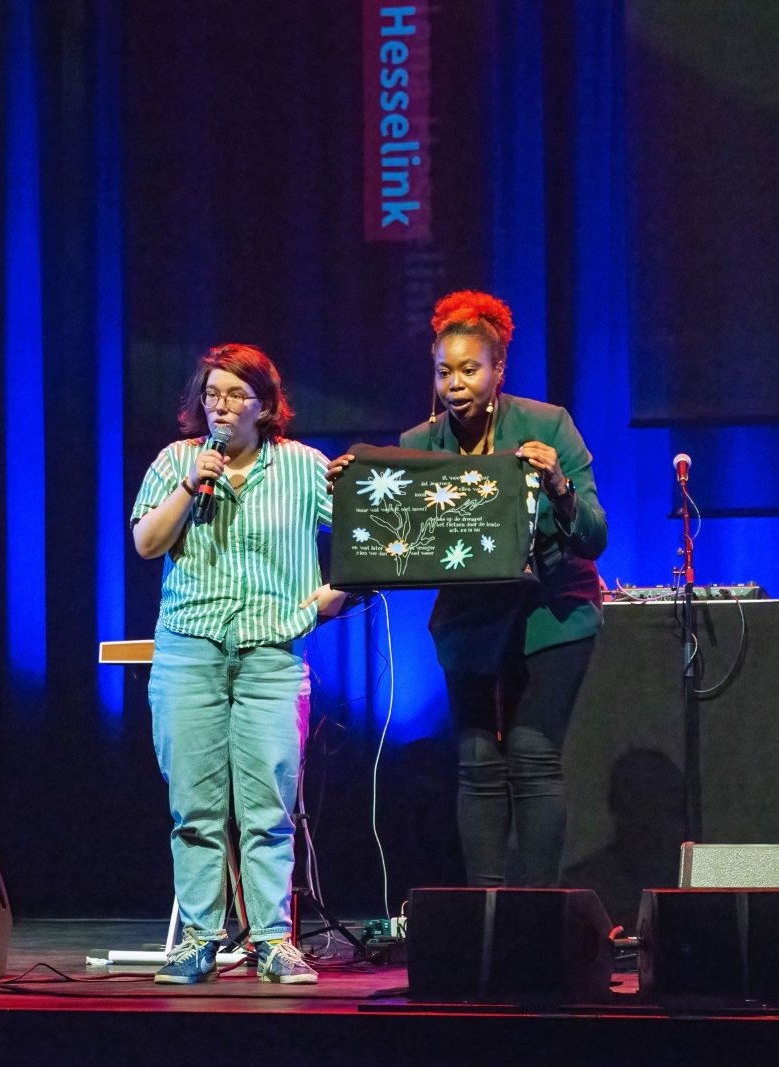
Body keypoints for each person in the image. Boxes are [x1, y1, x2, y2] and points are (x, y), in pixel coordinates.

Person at [333, 291, 607, 888]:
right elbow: (395, 535)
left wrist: (559, 485)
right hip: (470, 620)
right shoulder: (418, 443)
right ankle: (485, 912)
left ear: (498, 369)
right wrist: (354, 491)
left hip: (551, 614)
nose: (454, 384)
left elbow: (594, 537)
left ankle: (534, 914)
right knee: (478, 761)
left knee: (532, 756)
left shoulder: (547, 424)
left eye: (468, 370)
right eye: (443, 372)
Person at [131, 344, 345, 984]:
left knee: (268, 808)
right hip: (189, 651)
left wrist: (331, 598)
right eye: (211, 395)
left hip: (270, 655)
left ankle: (274, 940)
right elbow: (146, 542)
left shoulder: (304, 467)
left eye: (235, 395)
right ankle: (200, 939)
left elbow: (368, 538)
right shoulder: (177, 461)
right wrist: (189, 486)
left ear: (265, 405)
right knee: (194, 810)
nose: (220, 407)